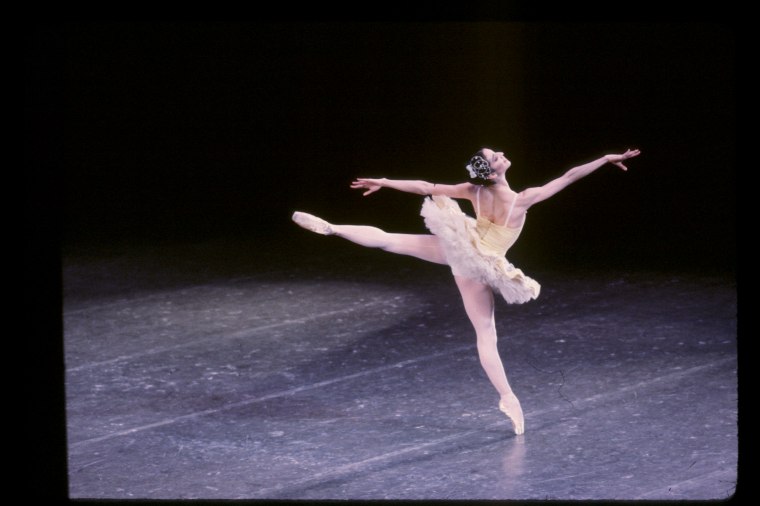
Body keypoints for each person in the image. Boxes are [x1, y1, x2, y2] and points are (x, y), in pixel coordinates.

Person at [292, 147, 640, 435]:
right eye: (495, 156)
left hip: (460, 250)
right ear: (490, 172)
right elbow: (569, 177)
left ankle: (334, 228)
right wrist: (605, 160)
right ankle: (507, 397)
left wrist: (384, 181)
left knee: (390, 240)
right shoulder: (521, 200)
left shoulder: (473, 190)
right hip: (482, 265)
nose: (501, 154)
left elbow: (424, 186)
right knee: (485, 335)